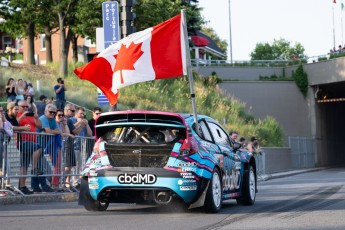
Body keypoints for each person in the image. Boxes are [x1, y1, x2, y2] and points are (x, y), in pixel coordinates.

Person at [32, 104, 61, 193]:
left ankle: (35, 186)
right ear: (45, 112)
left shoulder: (52, 120)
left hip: (42, 146)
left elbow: (58, 131)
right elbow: (49, 131)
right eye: (50, 112)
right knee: (39, 166)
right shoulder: (43, 118)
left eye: (54, 112)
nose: (52, 114)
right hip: (36, 146)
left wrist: (52, 131)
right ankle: (44, 186)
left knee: (37, 167)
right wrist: (53, 132)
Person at [16, 100, 43, 194]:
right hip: (23, 142)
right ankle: (34, 168)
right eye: (23, 106)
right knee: (38, 147)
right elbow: (14, 124)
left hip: (31, 142)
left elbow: (40, 126)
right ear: (18, 107)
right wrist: (22, 115)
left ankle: (22, 186)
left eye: (27, 107)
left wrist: (36, 118)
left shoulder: (31, 116)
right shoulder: (17, 114)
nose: (25, 108)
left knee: (24, 166)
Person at [53, 109, 74, 190]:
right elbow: (62, 134)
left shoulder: (62, 124)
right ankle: (55, 185)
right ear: (55, 116)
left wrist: (65, 124)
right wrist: (68, 134)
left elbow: (67, 134)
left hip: (61, 146)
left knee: (60, 167)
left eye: (62, 115)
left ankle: (58, 184)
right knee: (57, 167)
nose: (61, 117)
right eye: (59, 115)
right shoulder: (54, 123)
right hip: (54, 146)